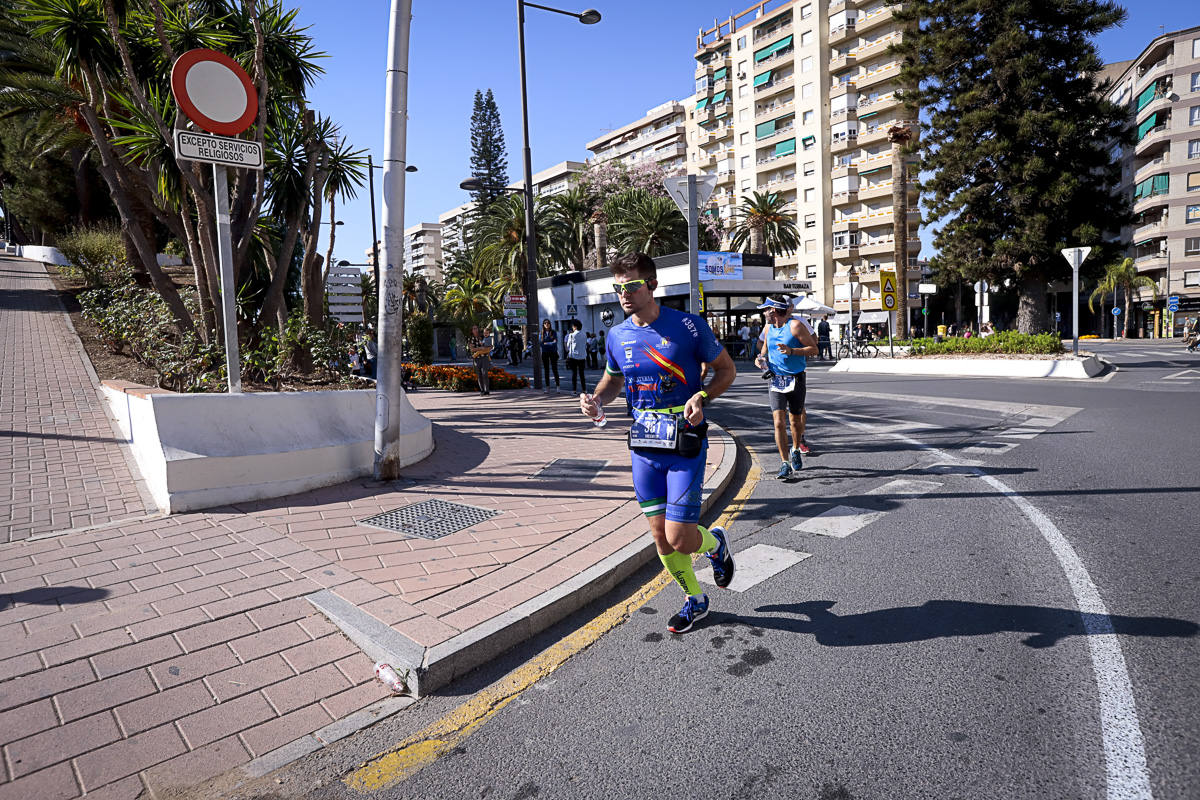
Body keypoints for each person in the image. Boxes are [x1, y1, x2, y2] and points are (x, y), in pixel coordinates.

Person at [579, 252, 737, 635]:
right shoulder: (618, 335)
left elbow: (727, 370)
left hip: (684, 441)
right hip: (644, 446)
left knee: (679, 536)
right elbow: (614, 381)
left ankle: (715, 544)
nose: (623, 294)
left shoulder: (687, 326)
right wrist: (597, 399)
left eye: (631, 285)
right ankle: (695, 599)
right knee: (660, 540)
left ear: (651, 284)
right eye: (617, 287)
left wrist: (703, 397)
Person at [755, 296, 818, 480]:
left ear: (773, 310)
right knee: (778, 422)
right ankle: (784, 463)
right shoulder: (767, 329)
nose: (763, 313)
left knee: (795, 421)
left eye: (765, 310)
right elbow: (763, 350)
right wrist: (760, 360)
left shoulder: (795, 326)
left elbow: (814, 349)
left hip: (796, 378)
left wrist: (792, 351)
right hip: (775, 380)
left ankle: (796, 448)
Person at [467, 324, 493, 396]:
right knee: (479, 375)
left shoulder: (483, 336)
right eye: (474, 329)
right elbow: (472, 349)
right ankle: (482, 390)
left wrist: (489, 347)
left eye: (476, 328)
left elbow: (490, 346)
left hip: (484, 357)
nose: (476, 330)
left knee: (485, 373)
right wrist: (480, 348)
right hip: (476, 358)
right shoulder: (471, 339)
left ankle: (487, 391)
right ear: (472, 331)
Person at [564, 319, 588, 394]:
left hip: (573, 356)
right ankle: (584, 390)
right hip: (582, 356)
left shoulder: (571, 335)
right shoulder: (584, 334)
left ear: (575, 327)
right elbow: (585, 345)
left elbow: (568, 346)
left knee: (574, 374)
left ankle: (574, 390)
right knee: (582, 374)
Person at [540, 319, 561, 392]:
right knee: (546, 370)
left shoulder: (553, 332)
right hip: (545, 352)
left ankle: (558, 387)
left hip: (553, 352)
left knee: (555, 369)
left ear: (550, 324)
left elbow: (555, 342)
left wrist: (547, 343)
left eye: (548, 323)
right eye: (545, 323)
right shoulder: (541, 333)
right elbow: (541, 344)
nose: (546, 324)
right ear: (543, 324)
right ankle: (547, 387)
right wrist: (550, 343)